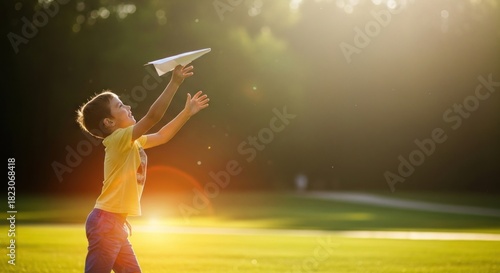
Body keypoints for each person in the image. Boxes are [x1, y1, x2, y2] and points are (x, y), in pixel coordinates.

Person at [76, 64, 209, 273]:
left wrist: (186, 113)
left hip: (115, 223)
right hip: (106, 224)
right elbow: (153, 118)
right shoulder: (118, 139)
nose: (128, 107)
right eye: (120, 106)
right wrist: (174, 82)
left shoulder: (131, 141)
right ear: (109, 122)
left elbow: (162, 136)